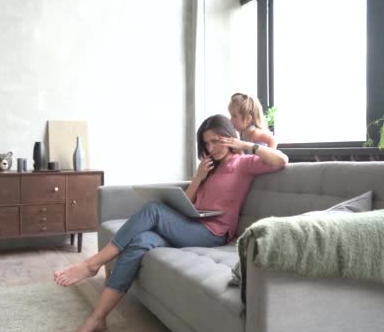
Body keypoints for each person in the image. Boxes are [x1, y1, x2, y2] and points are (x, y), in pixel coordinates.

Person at [53, 114, 288, 332]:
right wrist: (198, 178)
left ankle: (92, 264)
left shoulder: (243, 163)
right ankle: (98, 318)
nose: (211, 148)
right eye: (206, 143)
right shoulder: (210, 168)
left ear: (230, 137)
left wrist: (247, 146)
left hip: (213, 233)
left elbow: (281, 160)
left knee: (154, 209)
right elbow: (188, 202)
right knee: (140, 242)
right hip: (193, 225)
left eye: (217, 140)